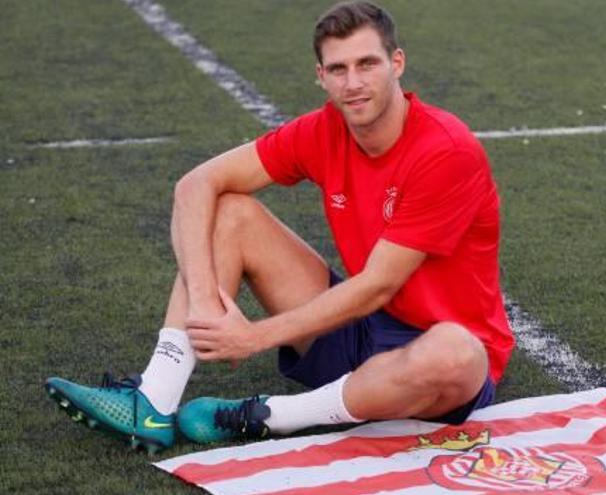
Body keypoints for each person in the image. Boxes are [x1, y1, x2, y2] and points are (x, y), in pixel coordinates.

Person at [45, 0, 514, 454]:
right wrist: (206, 297)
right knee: (230, 212)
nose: (353, 83)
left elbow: (377, 286)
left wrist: (252, 337)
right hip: (359, 334)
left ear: (397, 63)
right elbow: (195, 186)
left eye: (367, 64)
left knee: (454, 349)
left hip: (440, 363)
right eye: (338, 69)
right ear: (321, 76)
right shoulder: (324, 129)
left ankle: (272, 415)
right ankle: (154, 401)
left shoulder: (445, 150)